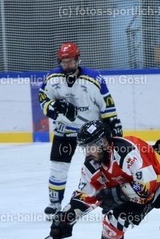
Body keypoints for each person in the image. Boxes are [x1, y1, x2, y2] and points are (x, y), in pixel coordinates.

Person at [38, 42, 122, 217]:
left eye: (70, 61)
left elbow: (107, 104)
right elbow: (43, 99)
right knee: (58, 167)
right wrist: (55, 108)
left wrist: (113, 124)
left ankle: (109, 198)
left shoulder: (93, 79)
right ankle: (54, 203)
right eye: (64, 61)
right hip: (64, 129)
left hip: (92, 132)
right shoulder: (52, 78)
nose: (67, 64)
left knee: (97, 166)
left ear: (78, 59)